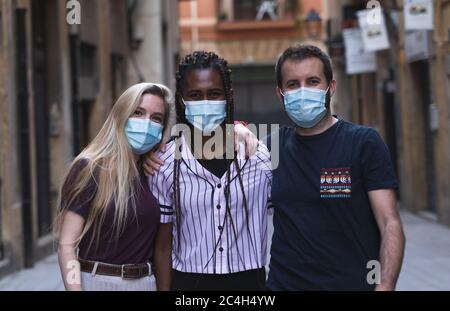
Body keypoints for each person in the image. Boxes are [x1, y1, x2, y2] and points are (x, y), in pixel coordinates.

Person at [266, 44, 405, 290]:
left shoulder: (363, 143)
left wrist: (385, 285)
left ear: (331, 87)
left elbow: (389, 222)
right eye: (293, 84)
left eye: (312, 81)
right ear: (280, 94)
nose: (303, 91)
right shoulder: (269, 149)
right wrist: (239, 130)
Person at [148, 51, 272, 291]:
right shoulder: (164, 164)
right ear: (181, 99)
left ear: (228, 96)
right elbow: (162, 246)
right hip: (188, 285)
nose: (205, 102)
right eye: (195, 95)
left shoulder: (259, 157)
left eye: (214, 94)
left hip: (249, 284)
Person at [55, 82, 171, 291]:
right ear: (121, 115)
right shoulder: (90, 168)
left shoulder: (154, 170)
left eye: (156, 118)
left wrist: (238, 128)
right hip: (99, 282)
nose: (147, 124)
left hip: (146, 283)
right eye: (138, 112)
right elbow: (66, 245)